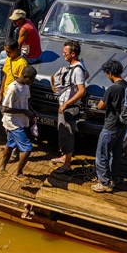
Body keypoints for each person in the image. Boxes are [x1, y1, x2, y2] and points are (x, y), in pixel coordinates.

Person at [91, 59, 127, 193]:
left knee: (101, 154)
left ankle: (104, 182)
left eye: (107, 73)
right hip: (122, 125)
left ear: (110, 73)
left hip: (110, 125)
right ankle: (113, 178)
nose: (107, 76)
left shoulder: (113, 89)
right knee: (116, 153)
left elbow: (100, 105)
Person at [0, 65, 37, 184]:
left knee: (10, 144)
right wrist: (24, 112)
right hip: (12, 123)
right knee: (28, 148)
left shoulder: (26, 86)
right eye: (32, 79)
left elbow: (25, 102)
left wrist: (30, 112)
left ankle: (1, 169)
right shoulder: (13, 88)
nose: (33, 81)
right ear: (25, 76)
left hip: (21, 121)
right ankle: (18, 173)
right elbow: (5, 108)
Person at [51, 40, 86, 174]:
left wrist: (66, 103)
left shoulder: (77, 70)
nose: (63, 54)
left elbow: (82, 90)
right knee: (64, 133)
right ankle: (65, 156)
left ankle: (67, 164)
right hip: (65, 105)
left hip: (69, 108)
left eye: (65, 53)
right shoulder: (79, 66)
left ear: (72, 54)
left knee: (67, 134)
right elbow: (85, 75)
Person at [0, 9, 42, 84]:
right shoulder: (27, 21)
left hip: (31, 57)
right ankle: (8, 72)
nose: (13, 22)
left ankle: (0, 84)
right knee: (2, 54)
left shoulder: (24, 29)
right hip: (32, 52)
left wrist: (10, 59)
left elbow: (17, 47)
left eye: (15, 20)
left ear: (21, 19)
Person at [0, 40, 28, 105]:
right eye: (6, 51)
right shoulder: (8, 59)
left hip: (14, 97)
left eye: (9, 52)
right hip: (5, 94)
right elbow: (5, 77)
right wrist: (0, 94)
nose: (7, 54)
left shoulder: (22, 64)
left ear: (16, 50)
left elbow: (22, 84)